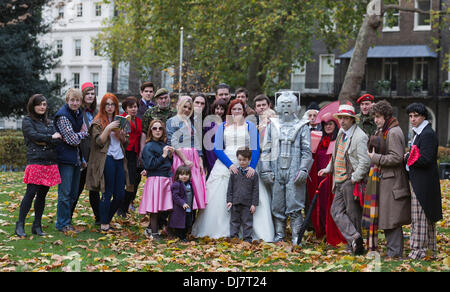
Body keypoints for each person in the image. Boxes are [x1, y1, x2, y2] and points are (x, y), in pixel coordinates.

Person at [191, 99, 274, 242]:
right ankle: (222, 230)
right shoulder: (222, 126)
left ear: (244, 111)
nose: (237, 112)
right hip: (226, 163)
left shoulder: (250, 126)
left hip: (246, 162)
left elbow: (255, 148)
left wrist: (251, 168)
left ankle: (250, 232)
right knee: (221, 196)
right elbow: (217, 148)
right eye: (234, 109)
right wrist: (229, 165)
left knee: (250, 194)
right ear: (230, 111)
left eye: (239, 109)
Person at [260, 91, 312, 246]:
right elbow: (266, 150)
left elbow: (307, 151)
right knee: (277, 203)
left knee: (295, 203)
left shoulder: (302, 126)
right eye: (283, 105)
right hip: (276, 169)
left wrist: (303, 169)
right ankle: (279, 234)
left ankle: (297, 235)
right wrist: (266, 170)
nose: (286, 108)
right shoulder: (272, 125)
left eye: (289, 105)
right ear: (277, 107)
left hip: (294, 170)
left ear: (296, 107)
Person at [318, 102, 370, 255]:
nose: (342, 121)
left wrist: (354, 178)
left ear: (352, 119)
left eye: (345, 118)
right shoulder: (341, 132)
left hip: (351, 180)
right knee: (336, 211)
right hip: (339, 180)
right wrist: (328, 169)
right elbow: (336, 155)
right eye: (340, 118)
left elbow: (365, 162)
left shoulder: (360, 137)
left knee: (353, 214)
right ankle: (355, 238)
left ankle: (355, 247)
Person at [366, 100, 411, 258]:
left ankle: (395, 253)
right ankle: (393, 252)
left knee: (392, 219)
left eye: (378, 117)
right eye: (374, 117)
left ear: (386, 116)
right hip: (386, 180)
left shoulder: (393, 132)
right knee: (388, 218)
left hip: (393, 182)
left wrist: (375, 158)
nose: (376, 120)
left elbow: (397, 158)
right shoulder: (385, 130)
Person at [15, 94, 62, 237]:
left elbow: (58, 140)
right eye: (39, 104)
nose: (42, 107)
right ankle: (20, 224)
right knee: (30, 193)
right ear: (33, 106)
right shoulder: (27, 120)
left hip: (49, 162)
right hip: (36, 161)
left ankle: (37, 225)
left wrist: (46, 140)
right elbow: (33, 136)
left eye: (44, 104)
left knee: (42, 195)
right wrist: (49, 138)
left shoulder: (49, 122)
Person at [86, 93, 132, 232]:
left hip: (119, 158)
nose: (110, 107)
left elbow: (126, 143)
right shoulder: (97, 121)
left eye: (113, 104)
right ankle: (104, 223)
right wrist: (108, 128)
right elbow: (98, 142)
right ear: (103, 106)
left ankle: (105, 219)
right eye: (107, 104)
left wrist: (123, 136)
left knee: (120, 195)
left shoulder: (121, 120)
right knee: (107, 192)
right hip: (106, 158)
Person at [405, 102, 442, 260]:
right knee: (425, 218)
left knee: (419, 218)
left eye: (416, 116)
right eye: (411, 116)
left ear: (423, 116)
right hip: (422, 182)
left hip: (424, 183)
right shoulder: (420, 133)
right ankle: (430, 251)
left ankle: (418, 252)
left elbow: (426, 159)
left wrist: (407, 157)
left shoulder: (426, 134)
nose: (412, 119)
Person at [306, 112, 346, 246]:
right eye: (325, 125)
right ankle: (321, 230)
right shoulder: (319, 140)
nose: (328, 127)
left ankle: (333, 233)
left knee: (332, 206)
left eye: (330, 124)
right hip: (320, 179)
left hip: (332, 179)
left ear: (335, 125)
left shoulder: (340, 140)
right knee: (321, 205)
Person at [54, 88, 88, 233]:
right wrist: (82, 133)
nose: (75, 103)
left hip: (75, 159)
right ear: (67, 100)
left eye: (77, 100)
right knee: (65, 193)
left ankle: (67, 222)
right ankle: (62, 224)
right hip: (65, 159)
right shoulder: (63, 116)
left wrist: (81, 133)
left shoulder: (79, 113)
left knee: (73, 193)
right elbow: (72, 139)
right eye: (72, 100)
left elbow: (86, 132)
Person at [166, 96, 207, 211]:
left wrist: (200, 160)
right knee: (180, 187)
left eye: (189, 108)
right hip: (180, 157)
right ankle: (175, 220)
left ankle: (190, 219)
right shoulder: (172, 121)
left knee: (194, 187)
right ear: (179, 106)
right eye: (185, 106)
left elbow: (196, 142)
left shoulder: (190, 122)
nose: (187, 110)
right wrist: (184, 160)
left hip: (193, 157)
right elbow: (173, 142)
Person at [139, 120, 175, 239]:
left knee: (163, 208)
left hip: (165, 178)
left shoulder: (163, 145)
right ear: (150, 130)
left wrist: (169, 156)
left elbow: (167, 163)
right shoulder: (148, 146)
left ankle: (150, 229)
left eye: (160, 128)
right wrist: (163, 156)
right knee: (154, 208)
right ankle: (154, 233)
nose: (158, 131)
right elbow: (150, 165)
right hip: (155, 179)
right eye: (155, 128)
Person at [73, 82, 100, 224]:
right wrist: (82, 158)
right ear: (83, 96)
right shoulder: (78, 112)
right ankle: (67, 217)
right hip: (82, 156)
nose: (90, 96)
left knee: (94, 189)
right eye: (87, 93)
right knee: (77, 189)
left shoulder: (96, 112)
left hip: (94, 156)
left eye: (92, 93)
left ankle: (99, 218)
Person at [226, 147, 259, 243]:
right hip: (235, 202)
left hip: (247, 203)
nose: (242, 162)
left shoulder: (253, 174)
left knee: (247, 222)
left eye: (244, 160)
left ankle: (247, 239)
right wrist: (229, 200)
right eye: (240, 160)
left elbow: (255, 190)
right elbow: (230, 188)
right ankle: (233, 238)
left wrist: (254, 204)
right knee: (234, 221)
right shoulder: (234, 173)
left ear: (249, 160)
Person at [117, 96, 142, 217]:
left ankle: (125, 206)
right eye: (131, 107)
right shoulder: (121, 119)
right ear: (126, 108)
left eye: (135, 106)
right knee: (122, 181)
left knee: (131, 182)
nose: (134, 109)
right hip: (123, 152)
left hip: (133, 153)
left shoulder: (138, 121)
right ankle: (119, 208)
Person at [140, 88, 177, 161]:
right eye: (161, 98)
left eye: (166, 98)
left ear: (169, 98)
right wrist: (142, 150)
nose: (163, 100)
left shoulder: (175, 113)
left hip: (171, 148)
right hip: (153, 149)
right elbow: (144, 132)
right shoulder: (149, 112)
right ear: (156, 100)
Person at [169, 165, 194, 242]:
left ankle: (185, 234)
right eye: (182, 174)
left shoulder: (190, 184)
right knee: (180, 223)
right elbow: (175, 196)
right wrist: (182, 203)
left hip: (188, 208)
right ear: (178, 175)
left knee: (187, 222)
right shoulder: (177, 184)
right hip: (180, 208)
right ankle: (181, 236)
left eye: (186, 174)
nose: (184, 176)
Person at [203, 99, 228, 177]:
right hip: (212, 153)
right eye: (217, 108)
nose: (219, 111)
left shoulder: (227, 123)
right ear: (214, 109)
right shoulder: (209, 123)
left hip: (226, 152)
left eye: (222, 109)